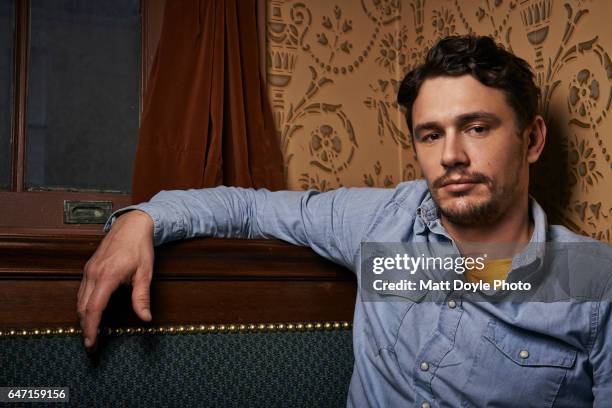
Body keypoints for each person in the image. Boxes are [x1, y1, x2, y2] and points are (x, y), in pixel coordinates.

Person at [77, 35, 612, 406]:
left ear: (533, 139)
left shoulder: (595, 281)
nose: (451, 155)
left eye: (476, 127)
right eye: (430, 134)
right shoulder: (382, 221)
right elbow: (250, 207)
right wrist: (142, 217)